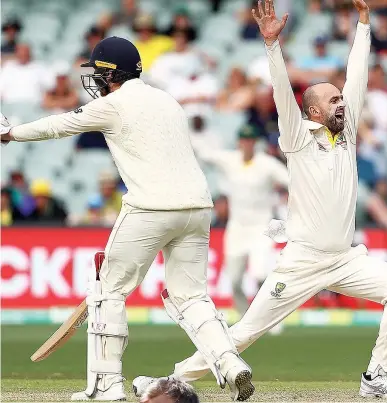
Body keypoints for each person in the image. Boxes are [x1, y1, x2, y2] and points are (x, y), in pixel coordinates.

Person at [133, 0, 387, 399]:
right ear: (314, 111)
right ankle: (166, 381)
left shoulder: (347, 133)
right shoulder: (299, 137)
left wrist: (364, 24)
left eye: (342, 99)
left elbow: (359, 75)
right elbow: (283, 92)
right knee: (245, 333)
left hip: (345, 258)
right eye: (334, 101)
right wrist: (272, 46)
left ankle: (376, 377)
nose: (343, 104)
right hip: (302, 261)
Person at [0, 36, 253, 402]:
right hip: (198, 207)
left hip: (151, 207)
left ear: (109, 74)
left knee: (108, 291)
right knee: (192, 295)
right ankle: (230, 363)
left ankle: (106, 385)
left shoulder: (115, 104)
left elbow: (59, 125)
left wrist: (10, 133)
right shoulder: (167, 99)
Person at [192, 123, 289, 318]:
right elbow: (205, 154)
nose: (247, 144)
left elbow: (290, 180)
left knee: (260, 275)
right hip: (237, 228)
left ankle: (270, 317)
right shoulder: (230, 160)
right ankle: (245, 319)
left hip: (263, 227)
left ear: (255, 142)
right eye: (244, 140)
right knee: (234, 280)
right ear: (239, 142)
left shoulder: (267, 164)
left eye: (250, 140)